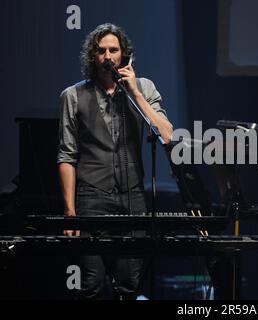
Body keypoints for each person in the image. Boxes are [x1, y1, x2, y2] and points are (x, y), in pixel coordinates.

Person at [57, 23, 173, 299]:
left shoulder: (143, 88)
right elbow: (66, 155)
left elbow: (166, 135)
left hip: (132, 198)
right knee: (91, 284)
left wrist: (135, 93)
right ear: (93, 56)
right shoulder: (72, 96)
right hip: (91, 198)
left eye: (114, 50)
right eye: (101, 51)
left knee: (129, 285)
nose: (108, 56)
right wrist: (70, 212)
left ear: (125, 55)